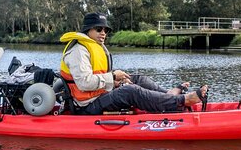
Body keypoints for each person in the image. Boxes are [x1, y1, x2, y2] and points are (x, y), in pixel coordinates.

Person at [59, 12, 207, 115]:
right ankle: (182, 100)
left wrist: (116, 81)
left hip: (98, 96)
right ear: (87, 30)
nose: (103, 32)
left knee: (136, 78)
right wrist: (112, 77)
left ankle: (167, 95)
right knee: (130, 91)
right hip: (86, 106)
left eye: (105, 30)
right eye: (98, 29)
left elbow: (98, 79)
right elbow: (85, 83)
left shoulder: (93, 47)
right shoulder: (78, 51)